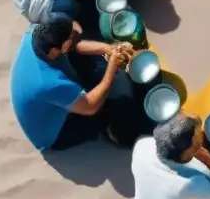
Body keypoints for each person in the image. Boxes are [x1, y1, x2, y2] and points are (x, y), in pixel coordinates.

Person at [10, 16, 149, 151]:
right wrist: (112, 68)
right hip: (55, 132)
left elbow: (76, 45)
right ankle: (116, 133)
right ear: (54, 51)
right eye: (70, 36)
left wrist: (108, 49)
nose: (75, 35)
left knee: (90, 60)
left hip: (50, 97)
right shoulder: (49, 83)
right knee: (121, 108)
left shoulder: (37, 34)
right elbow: (90, 105)